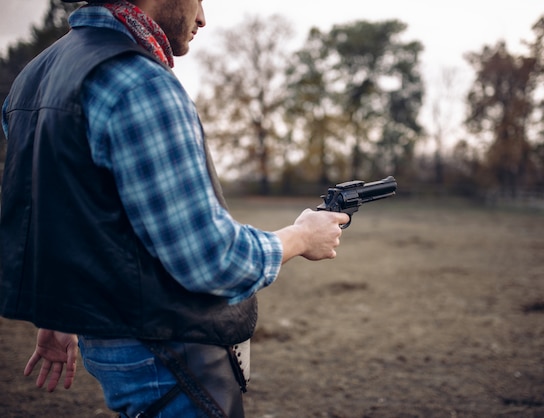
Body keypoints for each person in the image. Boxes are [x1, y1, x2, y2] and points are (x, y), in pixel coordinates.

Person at [0, 0, 349, 416]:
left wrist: (60, 313)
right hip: (166, 352)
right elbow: (212, 260)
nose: (203, 17)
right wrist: (301, 235)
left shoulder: (36, 74)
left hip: (108, 338)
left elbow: (62, 212)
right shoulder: (139, 81)